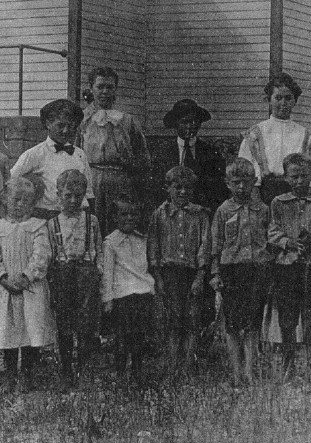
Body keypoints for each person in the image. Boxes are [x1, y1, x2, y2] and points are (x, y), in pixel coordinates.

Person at [0, 177, 55, 391]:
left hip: (31, 287)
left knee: (31, 329)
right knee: (9, 330)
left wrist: (26, 277)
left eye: (26, 200)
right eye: (16, 199)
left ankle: (28, 373)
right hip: (5, 288)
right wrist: (3, 278)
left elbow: (41, 254)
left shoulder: (38, 226)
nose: (20, 204)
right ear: (6, 199)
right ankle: (10, 374)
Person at [268, 154, 311, 374]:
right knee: (288, 317)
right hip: (286, 266)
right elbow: (272, 231)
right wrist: (287, 242)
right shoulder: (278, 203)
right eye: (294, 176)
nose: (299, 181)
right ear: (286, 177)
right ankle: (288, 363)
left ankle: (310, 364)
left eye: (304, 176)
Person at [210, 158, 272, 387]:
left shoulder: (263, 210)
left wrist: (270, 271)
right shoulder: (223, 211)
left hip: (257, 269)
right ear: (228, 183)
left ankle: (250, 372)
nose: (241, 187)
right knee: (233, 324)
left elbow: (271, 241)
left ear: (254, 181)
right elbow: (215, 245)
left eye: (246, 182)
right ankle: (236, 373)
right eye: (236, 182)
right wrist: (215, 273)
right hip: (232, 270)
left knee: (253, 322)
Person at [147, 165, 211, 376]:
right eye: (178, 187)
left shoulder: (200, 215)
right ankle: (172, 365)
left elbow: (205, 246)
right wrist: (158, 277)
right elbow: (153, 246)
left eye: (188, 188)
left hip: (192, 274)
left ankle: (188, 365)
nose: (183, 192)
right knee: (173, 320)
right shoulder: (160, 214)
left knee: (193, 319)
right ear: (168, 188)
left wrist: (200, 276)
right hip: (169, 274)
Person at [78, 67, 151, 236]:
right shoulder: (82, 120)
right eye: (100, 86)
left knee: (118, 225)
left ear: (115, 89)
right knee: (92, 224)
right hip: (91, 180)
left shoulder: (127, 121)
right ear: (91, 88)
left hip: (121, 181)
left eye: (109, 87)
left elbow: (143, 155)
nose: (105, 92)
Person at [47, 170, 103, 388]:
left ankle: (84, 369)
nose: (72, 201)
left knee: (86, 324)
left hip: (86, 274)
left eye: (78, 196)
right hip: (63, 275)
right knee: (64, 324)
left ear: (84, 196)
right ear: (58, 195)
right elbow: (50, 254)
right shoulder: (53, 223)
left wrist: (98, 272)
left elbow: (98, 249)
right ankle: (65, 370)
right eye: (67, 195)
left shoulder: (92, 221)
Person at [238, 73, 311, 206]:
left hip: (298, 197)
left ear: (295, 101)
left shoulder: (306, 136)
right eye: (278, 98)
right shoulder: (255, 134)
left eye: (288, 98)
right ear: (269, 100)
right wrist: (257, 203)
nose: (283, 103)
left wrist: (305, 198)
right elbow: (245, 170)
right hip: (263, 196)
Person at [101, 195, 155, 387]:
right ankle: (120, 371)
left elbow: (147, 267)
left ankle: (137, 371)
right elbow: (107, 273)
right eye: (124, 214)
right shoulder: (110, 242)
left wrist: (152, 288)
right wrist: (107, 299)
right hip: (122, 295)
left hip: (142, 292)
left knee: (139, 335)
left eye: (134, 214)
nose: (130, 218)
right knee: (122, 336)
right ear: (115, 218)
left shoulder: (143, 239)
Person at [11, 99, 94, 218]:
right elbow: (11, 181)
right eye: (60, 125)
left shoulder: (80, 154)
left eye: (70, 126)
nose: (65, 131)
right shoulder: (34, 154)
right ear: (48, 124)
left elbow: (89, 192)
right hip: (47, 216)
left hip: (75, 217)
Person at [155, 99, 227, 213]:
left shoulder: (211, 153)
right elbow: (157, 189)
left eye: (194, 122)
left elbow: (219, 189)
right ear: (176, 123)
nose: (189, 126)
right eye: (184, 122)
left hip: (201, 212)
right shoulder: (162, 154)